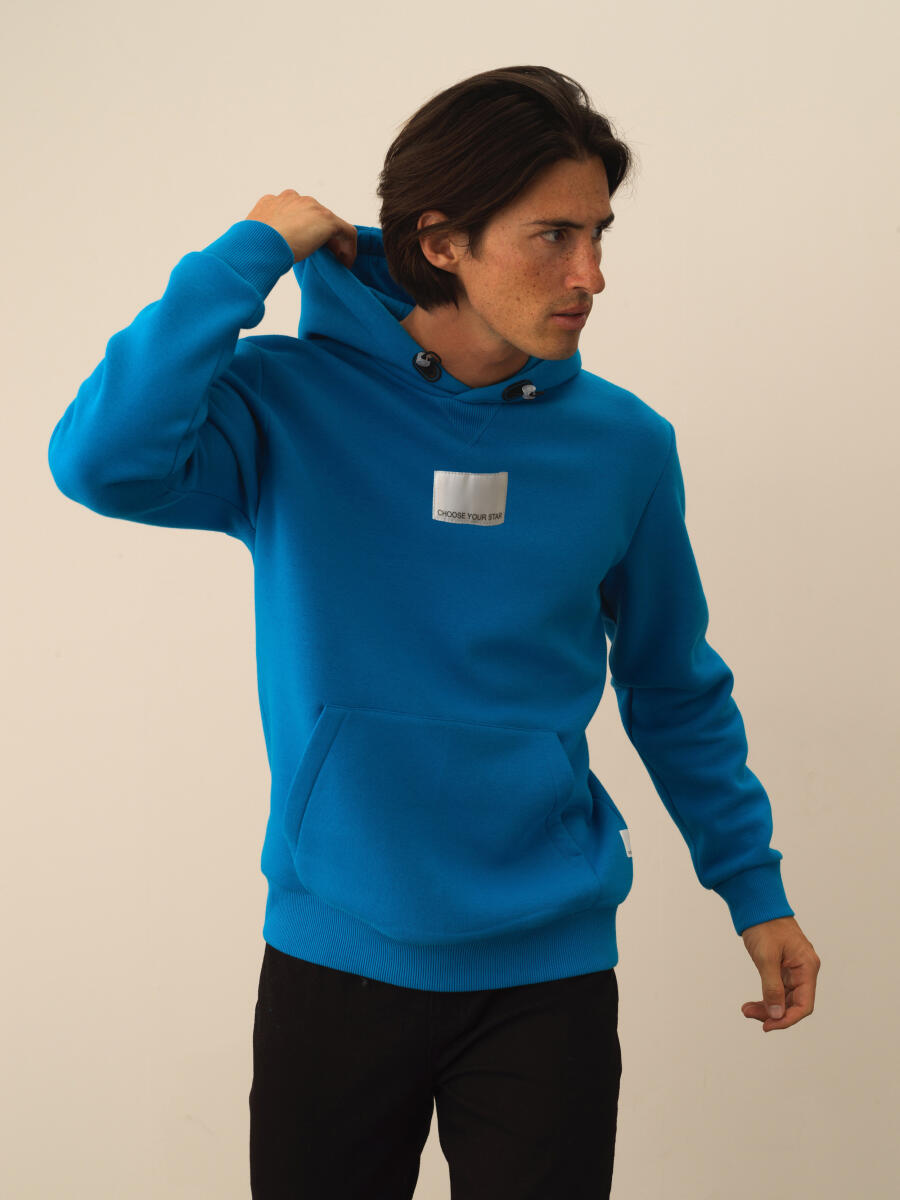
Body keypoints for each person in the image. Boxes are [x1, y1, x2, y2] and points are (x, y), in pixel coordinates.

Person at [47, 64, 820, 1200]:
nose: (591, 276)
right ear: (443, 240)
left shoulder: (624, 446)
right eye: (552, 237)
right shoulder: (283, 404)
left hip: (548, 972)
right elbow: (100, 463)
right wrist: (244, 257)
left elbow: (672, 684)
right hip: (333, 956)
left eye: (599, 235)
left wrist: (754, 888)